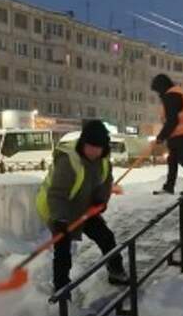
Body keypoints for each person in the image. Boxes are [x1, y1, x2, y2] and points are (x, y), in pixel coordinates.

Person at [36, 120, 129, 294]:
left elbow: (105, 183)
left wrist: (100, 201)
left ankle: (116, 272)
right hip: (58, 208)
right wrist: (60, 220)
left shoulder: (103, 161)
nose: (93, 151)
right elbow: (56, 194)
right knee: (63, 250)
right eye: (90, 146)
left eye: (98, 148)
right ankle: (61, 291)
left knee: (106, 237)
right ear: (83, 143)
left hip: (84, 207)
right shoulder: (68, 161)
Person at [150, 73, 183, 196]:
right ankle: (169, 187)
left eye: (158, 90)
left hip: (182, 134)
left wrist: (161, 136)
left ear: (162, 86)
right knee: (172, 160)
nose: (158, 94)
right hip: (179, 134)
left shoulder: (171, 96)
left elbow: (173, 120)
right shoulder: (177, 93)